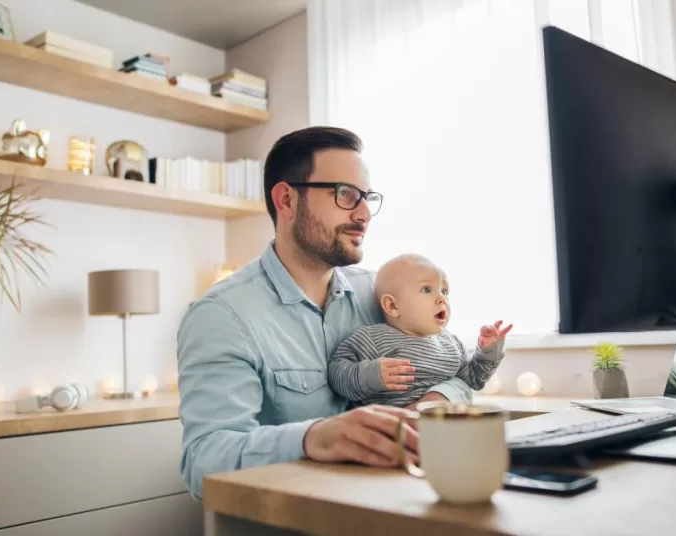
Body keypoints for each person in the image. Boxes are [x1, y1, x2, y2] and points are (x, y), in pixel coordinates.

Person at [176, 126, 473, 500]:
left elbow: (460, 373)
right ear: (286, 200)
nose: (364, 214)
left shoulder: (381, 295)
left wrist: (434, 402)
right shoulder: (221, 315)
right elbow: (204, 462)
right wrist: (311, 437)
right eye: (346, 195)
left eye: (367, 198)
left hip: (397, 507)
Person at [327, 253, 512, 407]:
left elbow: (474, 379)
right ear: (392, 305)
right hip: (386, 432)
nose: (442, 299)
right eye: (426, 289)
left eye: (444, 291)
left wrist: (488, 350)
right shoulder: (372, 338)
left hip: (439, 431)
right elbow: (337, 373)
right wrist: (371, 374)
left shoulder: (451, 344)